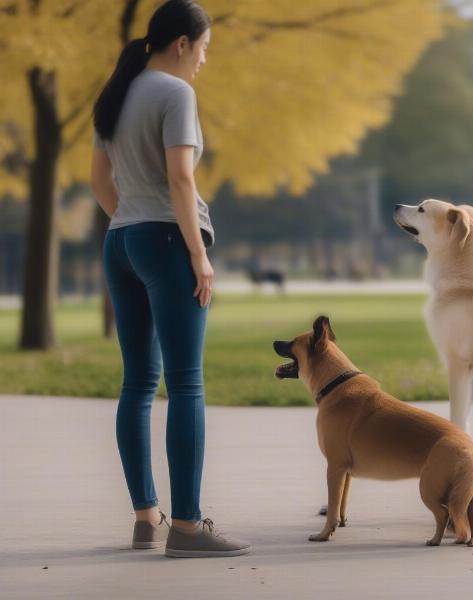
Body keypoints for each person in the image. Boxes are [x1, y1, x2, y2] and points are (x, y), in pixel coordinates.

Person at [90, 0, 250, 558]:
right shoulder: (175, 93)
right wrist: (197, 257)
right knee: (185, 384)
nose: (203, 61)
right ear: (181, 43)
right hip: (165, 243)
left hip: (122, 242)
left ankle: (145, 517)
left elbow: (98, 180)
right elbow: (182, 179)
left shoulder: (118, 92)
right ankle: (185, 528)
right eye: (203, 48)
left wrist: (130, 221)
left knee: (137, 385)